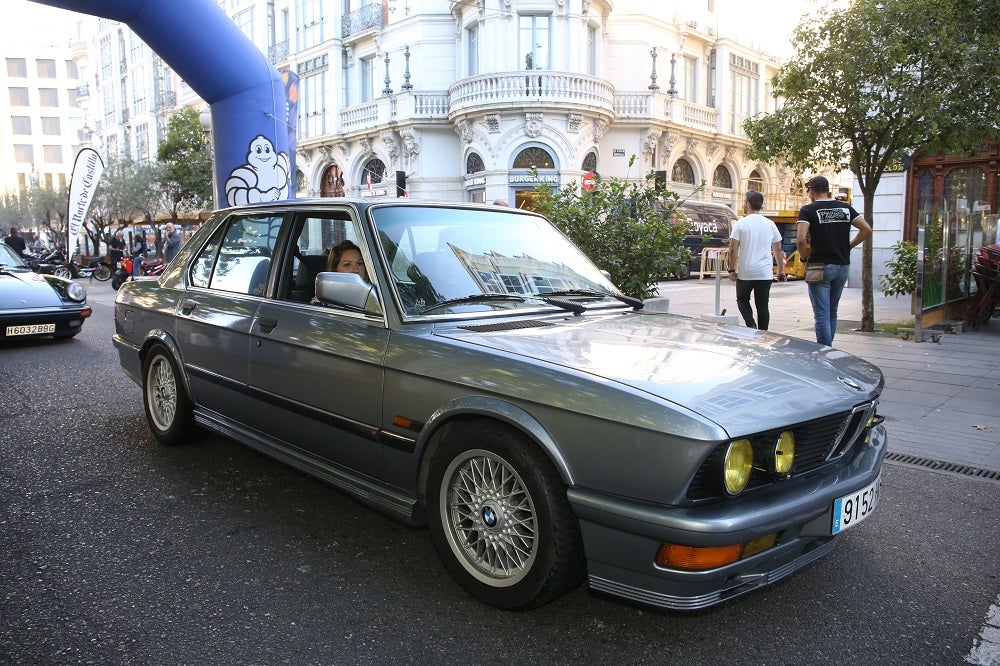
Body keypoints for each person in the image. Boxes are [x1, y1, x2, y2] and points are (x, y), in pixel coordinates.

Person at [796, 175, 872, 346]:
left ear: (813, 190)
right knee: (832, 311)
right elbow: (866, 229)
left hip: (819, 265)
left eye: (808, 190)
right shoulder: (845, 208)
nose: (809, 194)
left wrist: (803, 258)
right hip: (842, 265)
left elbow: (800, 240)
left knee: (821, 313)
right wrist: (849, 246)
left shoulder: (808, 210)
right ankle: (828, 348)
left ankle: (824, 352)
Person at [729, 190, 785, 330]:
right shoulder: (770, 224)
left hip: (745, 272)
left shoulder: (740, 224)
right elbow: (778, 249)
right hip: (764, 273)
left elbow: (733, 249)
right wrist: (780, 271)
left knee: (742, 300)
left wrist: (731, 269)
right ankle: (763, 333)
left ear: (748, 204)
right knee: (763, 305)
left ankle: (751, 325)